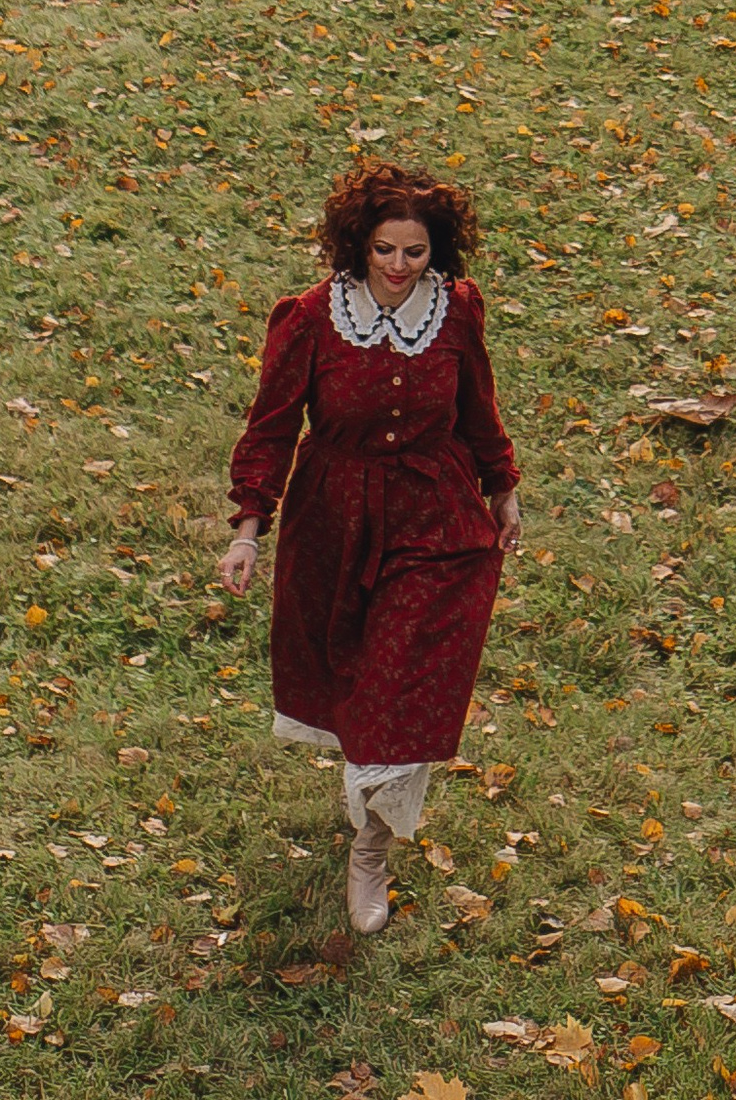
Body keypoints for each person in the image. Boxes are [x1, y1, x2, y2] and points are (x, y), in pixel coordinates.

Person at [220, 159, 523, 934]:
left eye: (414, 252)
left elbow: (478, 406)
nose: (397, 267)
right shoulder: (313, 318)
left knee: (400, 690)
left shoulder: (456, 313)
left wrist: (503, 487)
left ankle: (371, 850)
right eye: (384, 249)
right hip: (335, 522)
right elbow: (272, 427)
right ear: (358, 245)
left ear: (437, 252)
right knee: (352, 686)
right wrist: (250, 530)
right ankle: (369, 813)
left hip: (437, 521)